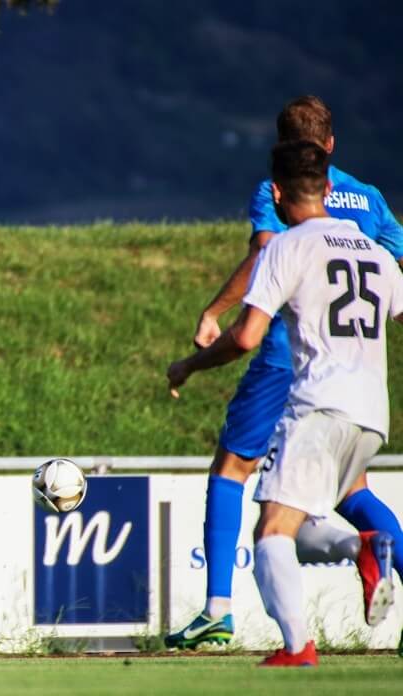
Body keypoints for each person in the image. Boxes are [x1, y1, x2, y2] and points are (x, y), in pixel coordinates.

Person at [165, 95, 403, 652]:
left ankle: (220, 613)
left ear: (281, 162)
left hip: (292, 363)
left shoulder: (278, 199)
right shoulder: (368, 200)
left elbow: (267, 255)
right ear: (331, 146)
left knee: (236, 471)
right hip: (369, 394)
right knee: (349, 489)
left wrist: (210, 320)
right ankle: (363, 554)